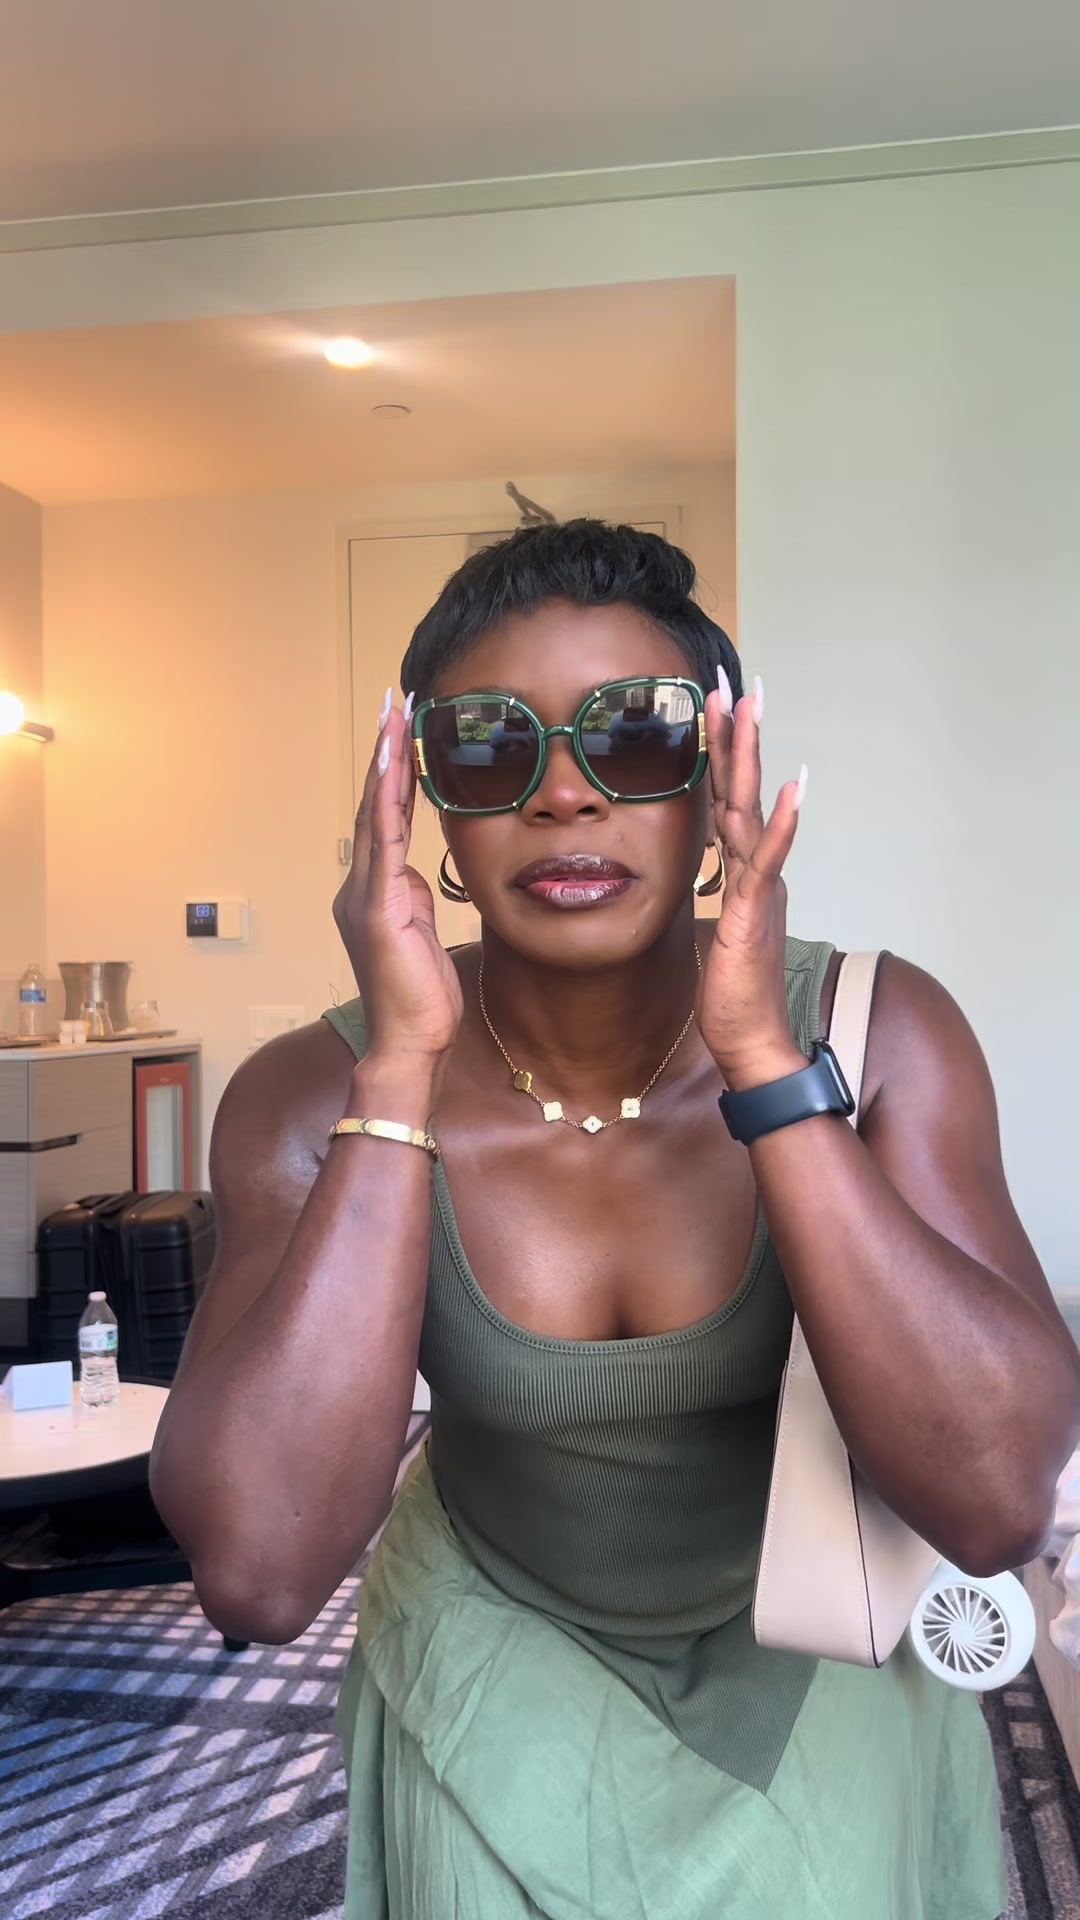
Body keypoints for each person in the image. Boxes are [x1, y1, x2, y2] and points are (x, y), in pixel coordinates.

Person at [151, 521, 1080, 1920]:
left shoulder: (881, 1032)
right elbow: (259, 1573)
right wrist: (397, 1074)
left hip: (816, 1633)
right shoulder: (309, 1089)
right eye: (489, 749)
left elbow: (998, 1500)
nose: (566, 795)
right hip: (486, 1642)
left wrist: (767, 1069)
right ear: (425, 809)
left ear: (716, 782)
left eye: (635, 736)